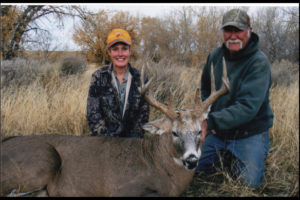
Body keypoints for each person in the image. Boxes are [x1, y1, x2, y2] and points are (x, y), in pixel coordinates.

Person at [196, 9, 274, 188]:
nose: (232, 36)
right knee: (194, 168)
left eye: (238, 30)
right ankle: (224, 155)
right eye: (228, 31)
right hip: (219, 132)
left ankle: (253, 152)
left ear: (249, 30)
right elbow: (206, 90)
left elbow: (247, 107)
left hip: (248, 133)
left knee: (247, 183)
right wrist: (207, 115)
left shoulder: (258, 62)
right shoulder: (215, 56)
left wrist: (211, 122)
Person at [86, 28, 150, 138]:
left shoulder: (140, 78)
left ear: (130, 51)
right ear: (109, 52)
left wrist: (132, 141)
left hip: (132, 143)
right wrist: (108, 140)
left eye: (124, 49)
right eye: (115, 49)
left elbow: (143, 115)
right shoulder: (99, 76)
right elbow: (93, 114)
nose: (120, 54)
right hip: (105, 142)